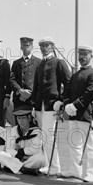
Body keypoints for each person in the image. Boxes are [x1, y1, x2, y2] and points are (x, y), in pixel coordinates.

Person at [31, 37, 72, 176]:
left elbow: (69, 84)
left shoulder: (59, 63)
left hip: (51, 105)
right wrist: (34, 105)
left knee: (49, 137)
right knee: (44, 137)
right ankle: (48, 165)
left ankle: (55, 168)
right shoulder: (40, 65)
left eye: (47, 46)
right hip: (40, 106)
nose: (44, 48)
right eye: (41, 46)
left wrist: (61, 101)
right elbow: (36, 87)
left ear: (52, 46)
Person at [62, 45, 93, 182]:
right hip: (73, 114)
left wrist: (74, 105)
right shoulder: (75, 75)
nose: (82, 58)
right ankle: (75, 170)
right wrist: (67, 104)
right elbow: (66, 91)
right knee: (74, 143)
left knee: (90, 145)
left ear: (91, 56)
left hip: (86, 114)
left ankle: (92, 173)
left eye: (85, 55)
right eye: (80, 55)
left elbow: (90, 93)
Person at [0, 106, 46, 176]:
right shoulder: (14, 129)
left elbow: (35, 149)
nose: (21, 121)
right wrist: (17, 155)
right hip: (16, 158)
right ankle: (23, 169)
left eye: (23, 118)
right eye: (19, 118)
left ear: (29, 118)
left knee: (41, 158)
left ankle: (14, 167)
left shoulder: (36, 131)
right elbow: (9, 148)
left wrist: (21, 151)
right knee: (0, 154)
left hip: (30, 159)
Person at [10, 37, 42, 118]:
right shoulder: (16, 63)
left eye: (27, 45)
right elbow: (11, 79)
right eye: (23, 45)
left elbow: (40, 81)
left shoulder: (39, 62)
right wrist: (20, 91)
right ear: (20, 47)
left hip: (32, 99)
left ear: (32, 47)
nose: (25, 47)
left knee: (33, 124)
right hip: (19, 98)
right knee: (19, 123)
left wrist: (30, 92)